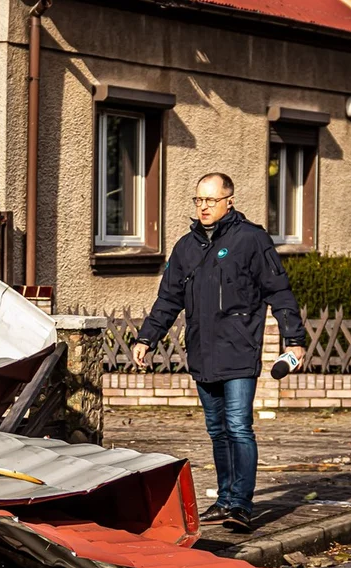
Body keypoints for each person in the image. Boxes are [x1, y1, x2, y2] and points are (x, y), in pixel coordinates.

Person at [131, 173, 306, 533]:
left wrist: (294, 339)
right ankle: (225, 499)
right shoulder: (186, 247)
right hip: (202, 351)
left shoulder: (251, 240)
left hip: (239, 350)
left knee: (239, 426)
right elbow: (168, 299)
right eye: (199, 200)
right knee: (217, 430)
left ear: (230, 200)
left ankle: (240, 505)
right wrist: (146, 339)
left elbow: (280, 292)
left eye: (211, 200)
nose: (204, 207)